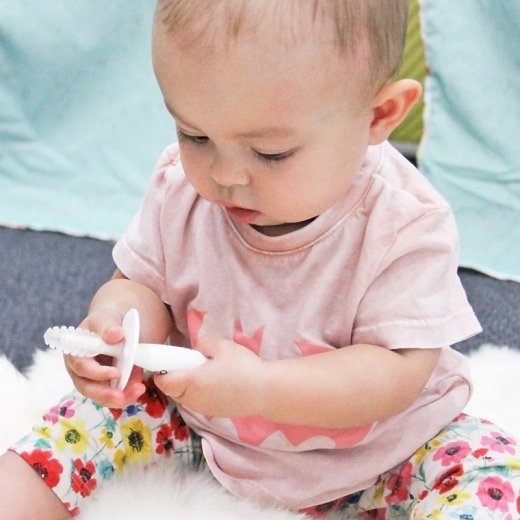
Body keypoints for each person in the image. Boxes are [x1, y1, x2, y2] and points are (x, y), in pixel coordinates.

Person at [1, 0, 519, 518]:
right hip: (206, 425)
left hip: (386, 452)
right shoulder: (180, 190)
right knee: (80, 426)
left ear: (378, 115)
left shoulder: (403, 223)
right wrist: (116, 324)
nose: (224, 175)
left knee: (490, 474)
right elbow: (142, 283)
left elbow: (396, 374)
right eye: (195, 135)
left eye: (270, 153)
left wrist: (261, 389)